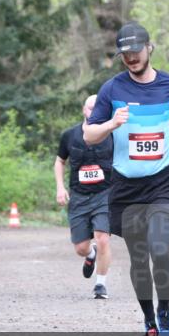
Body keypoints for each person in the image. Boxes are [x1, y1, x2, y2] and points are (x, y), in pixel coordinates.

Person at [83, 22, 169, 336]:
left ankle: (165, 312)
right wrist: (111, 124)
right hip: (126, 189)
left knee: (159, 249)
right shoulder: (111, 90)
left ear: (149, 48)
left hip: (162, 183)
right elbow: (89, 135)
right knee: (140, 257)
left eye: (136, 51)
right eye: (125, 54)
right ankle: (149, 323)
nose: (131, 58)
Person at [55, 95, 114, 299]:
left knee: (103, 239)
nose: (94, 112)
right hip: (79, 196)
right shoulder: (70, 135)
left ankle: (100, 285)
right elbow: (59, 161)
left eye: (98, 108)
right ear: (84, 110)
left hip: (105, 195)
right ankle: (90, 254)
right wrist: (60, 188)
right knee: (80, 247)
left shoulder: (113, 134)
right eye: (91, 108)